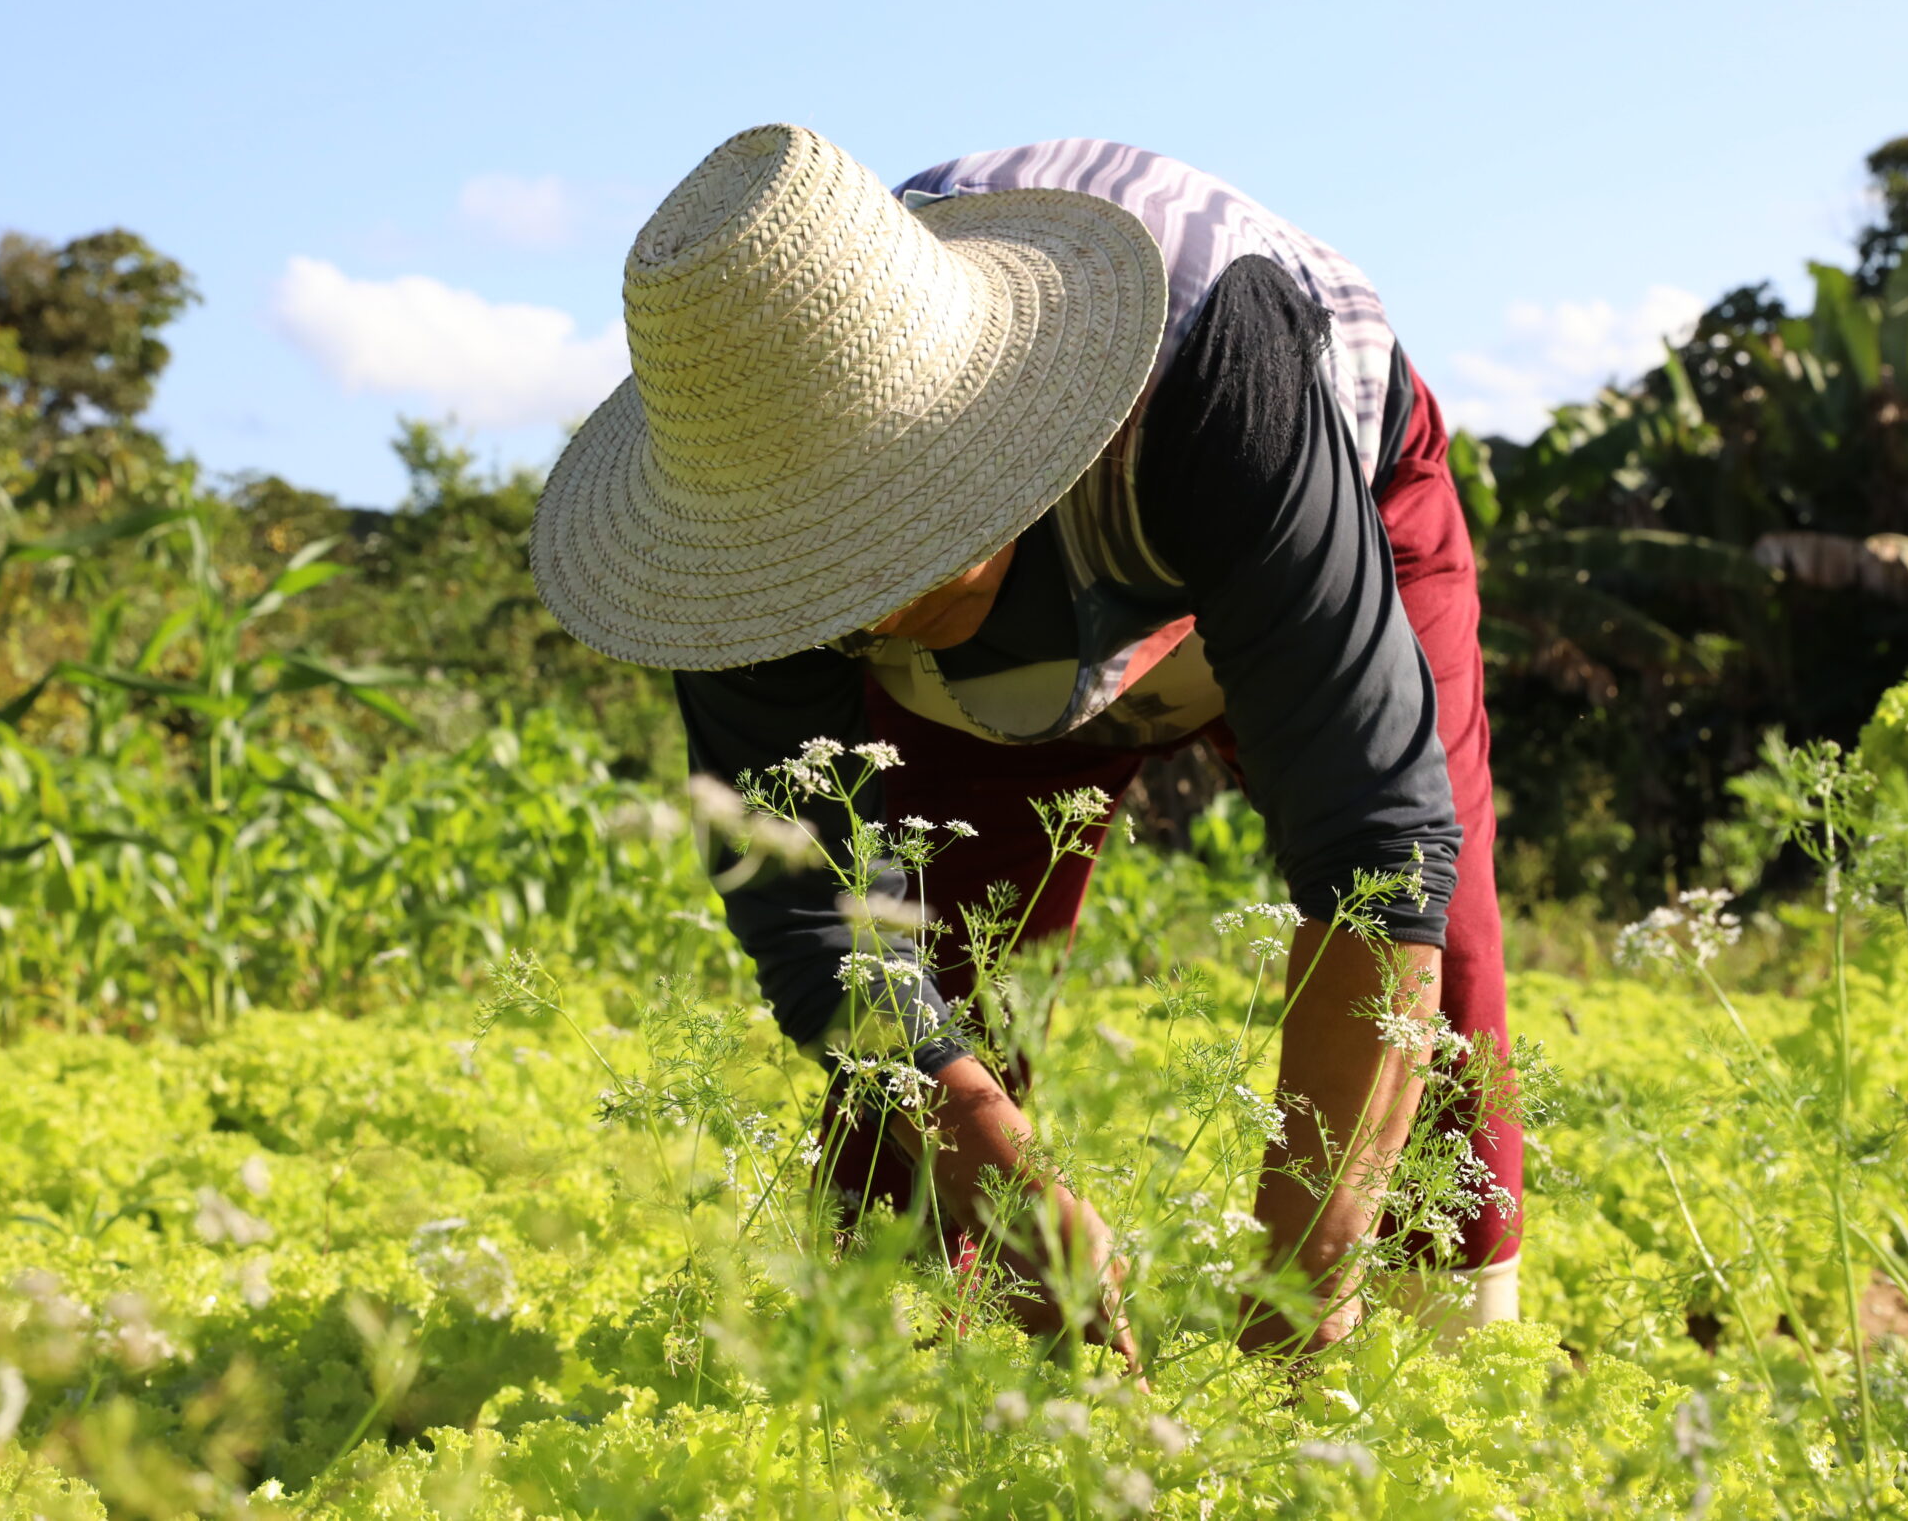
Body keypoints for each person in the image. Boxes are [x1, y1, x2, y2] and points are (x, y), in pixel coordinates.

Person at [532, 124, 1523, 1355]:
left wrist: (1299, 1292)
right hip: (1059, 580)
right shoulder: (733, 500)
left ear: (997, 435)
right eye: (818, 572)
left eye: (887, 544)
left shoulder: (1222, 371)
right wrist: (1000, 1177)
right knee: (936, 993)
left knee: (1436, 980)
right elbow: (816, 913)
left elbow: (1376, 845)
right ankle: (918, 1380)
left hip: (1296, 504)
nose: (867, 616)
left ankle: (1442, 1368)